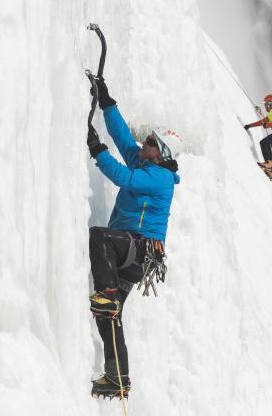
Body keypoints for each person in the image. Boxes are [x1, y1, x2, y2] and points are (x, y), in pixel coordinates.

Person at [86, 77, 183, 399]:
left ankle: (107, 293)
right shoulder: (147, 164)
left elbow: (122, 176)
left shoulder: (159, 177)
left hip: (138, 249)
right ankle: (118, 378)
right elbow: (124, 138)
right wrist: (107, 101)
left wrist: (96, 150)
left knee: (98, 237)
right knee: (108, 315)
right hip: (134, 256)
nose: (144, 143)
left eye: (151, 142)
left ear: (161, 152)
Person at [244, 94, 272, 180]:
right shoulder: (271, 113)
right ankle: (270, 171)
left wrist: (267, 125)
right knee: (267, 148)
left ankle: (269, 165)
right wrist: (249, 125)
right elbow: (262, 122)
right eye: (265, 104)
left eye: (267, 104)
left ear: (271, 102)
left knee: (264, 143)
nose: (266, 106)